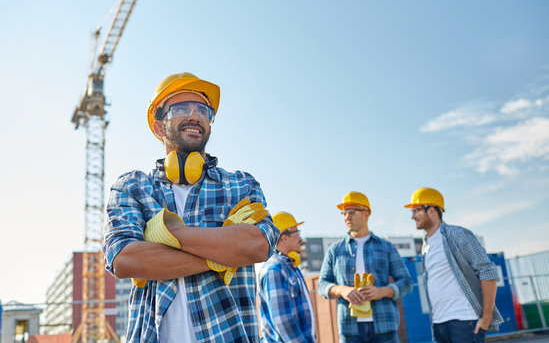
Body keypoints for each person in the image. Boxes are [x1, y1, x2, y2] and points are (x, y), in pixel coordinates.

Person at [102, 72, 280, 343]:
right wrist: (227, 252)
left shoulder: (241, 185)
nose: (196, 115)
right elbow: (124, 260)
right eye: (182, 108)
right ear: (159, 126)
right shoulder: (132, 187)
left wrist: (163, 233)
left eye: (204, 110)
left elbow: (258, 246)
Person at [404, 187, 503, 343]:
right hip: (438, 324)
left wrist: (487, 317)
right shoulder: (426, 245)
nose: (413, 216)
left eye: (416, 211)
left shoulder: (456, 234)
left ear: (431, 210)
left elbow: (487, 270)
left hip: (464, 321)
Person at [318, 191, 412, 343]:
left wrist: (382, 291)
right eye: (344, 213)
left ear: (366, 213)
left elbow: (406, 282)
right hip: (350, 329)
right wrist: (342, 290)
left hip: (385, 327)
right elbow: (322, 285)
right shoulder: (335, 250)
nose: (347, 218)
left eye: (352, 212)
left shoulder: (386, 247)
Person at [258, 211, 316, 342]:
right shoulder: (274, 270)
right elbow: (282, 319)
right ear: (284, 237)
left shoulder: (289, 267)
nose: (300, 239)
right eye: (297, 233)